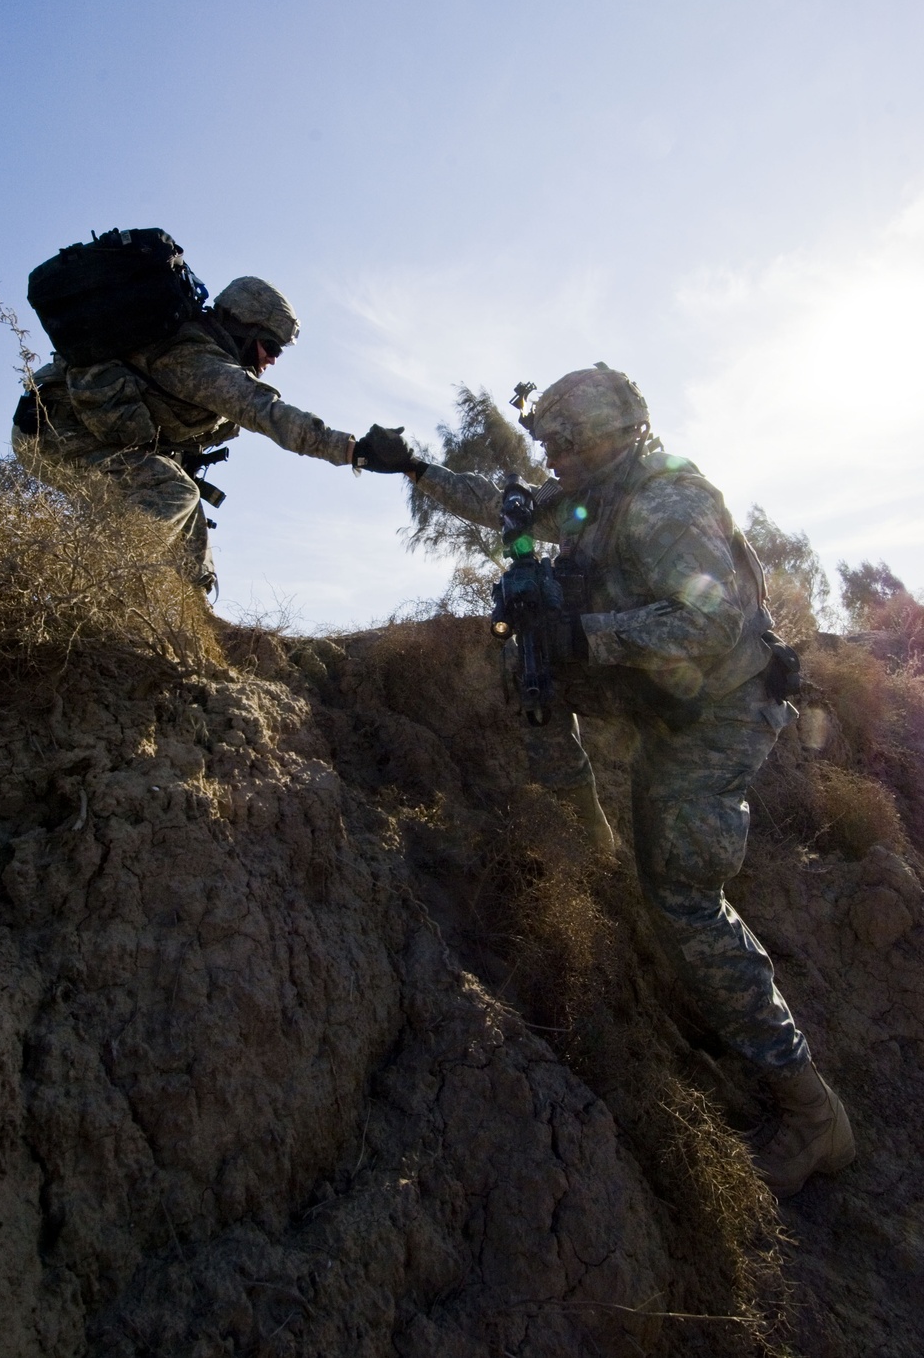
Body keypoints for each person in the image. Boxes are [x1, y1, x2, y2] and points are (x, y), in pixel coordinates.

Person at [365, 367, 855, 1198]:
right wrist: (414, 469)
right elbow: (504, 505)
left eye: (569, 444)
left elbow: (709, 625)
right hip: (666, 696)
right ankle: (593, 845)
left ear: (615, 434)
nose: (554, 460)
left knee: (683, 895)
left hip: (722, 710)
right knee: (527, 635)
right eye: (549, 445)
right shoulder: (591, 489)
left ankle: (812, 1116)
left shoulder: (664, 501)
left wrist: (582, 634)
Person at [12, 276, 402, 589]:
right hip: (53, 433)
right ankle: (96, 582)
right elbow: (267, 412)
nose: (272, 359)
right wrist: (354, 451)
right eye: (270, 346)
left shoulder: (199, 350)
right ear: (243, 327)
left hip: (80, 433)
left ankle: (193, 609)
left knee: (187, 508)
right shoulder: (198, 359)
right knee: (173, 491)